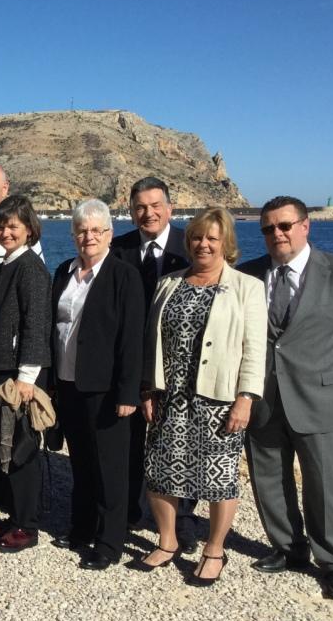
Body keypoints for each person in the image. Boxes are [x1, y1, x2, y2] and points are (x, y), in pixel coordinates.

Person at [241, 196, 333, 599]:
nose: (277, 234)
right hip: (264, 397)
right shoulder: (249, 274)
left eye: (284, 225)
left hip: (321, 399)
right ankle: (288, 548)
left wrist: (332, 377)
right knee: (269, 478)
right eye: (268, 228)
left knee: (324, 484)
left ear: (306, 226)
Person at [139, 207, 266, 585]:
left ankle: (214, 549)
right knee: (160, 471)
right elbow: (152, 340)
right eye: (197, 237)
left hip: (219, 398)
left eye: (213, 238)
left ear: (226, 243)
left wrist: (246, 397)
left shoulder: (247, 287)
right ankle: (167, 541)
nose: (204, 244)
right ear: (188, 241)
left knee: (219, 476)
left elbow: (254, 348)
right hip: (170, 396)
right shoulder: (169, 283)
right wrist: (148, 387)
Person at [50, 199, 144, 570]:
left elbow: (131, 339)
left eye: (95, 230)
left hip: (106, 389)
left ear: (109, 234)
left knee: (110, 467)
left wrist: (128, 391)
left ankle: (109, 541)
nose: (88, 237)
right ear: (74, 235)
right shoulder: (63, 271)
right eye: (81, 230)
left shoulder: (123, 276)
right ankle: (82, 525)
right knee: (82, 461)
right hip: (69, 383)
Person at [110, 176, 195, 548]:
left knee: (178, 442)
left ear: (170, 208)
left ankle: (182, 517)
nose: (148, 213)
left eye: (155, 205)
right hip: (129, 363)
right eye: (140, 207)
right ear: (131, 212)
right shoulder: (117, 249)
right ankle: (126, 508)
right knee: (127, 441)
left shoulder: (192, 247)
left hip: (178, 366)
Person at [0, 195, 52, 552]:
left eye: (13, 226)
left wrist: (27, 377)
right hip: (3, 369)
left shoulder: (30, 268)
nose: (6, 231)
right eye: (1, 225)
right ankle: (13, 514)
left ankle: (27, 524)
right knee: (6, 443)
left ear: (28, 229)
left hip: (20, 375)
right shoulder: (10, 263)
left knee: (23, 447)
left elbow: (35, 325)